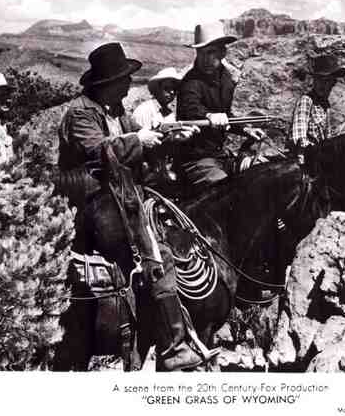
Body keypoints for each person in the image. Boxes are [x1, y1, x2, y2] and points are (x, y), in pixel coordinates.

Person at [57, 42, 206, 371]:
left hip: (114, 193)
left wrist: (165, 140)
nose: (128, 85)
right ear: (108, 84)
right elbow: (100, 152)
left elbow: (133, 148)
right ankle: (173, 346)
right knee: (154, 252)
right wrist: (140, 140)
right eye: (124, 79)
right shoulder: (82, 112)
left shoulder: (114, 111)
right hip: (89, 201)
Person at [176, 21, 266, 190]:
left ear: (222, 52)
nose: (205, 59)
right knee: (225, 190)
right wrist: (208, 116)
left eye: (210, 53)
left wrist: (245, 129)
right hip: (196, 160)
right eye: (200, 53)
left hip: (220, 156)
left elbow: (225, 117)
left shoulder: (226, 79)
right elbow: (191, 109)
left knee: (262, 174)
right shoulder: (190, 81)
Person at [289, 55, 345, 164]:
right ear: (314, 81)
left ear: (332, 83)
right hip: (307, 160)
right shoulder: (306, 101)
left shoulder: (325, 106)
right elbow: (299, 138)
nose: (323, 85)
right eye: (319, 80)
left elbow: (327, 138)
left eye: (327, 81)